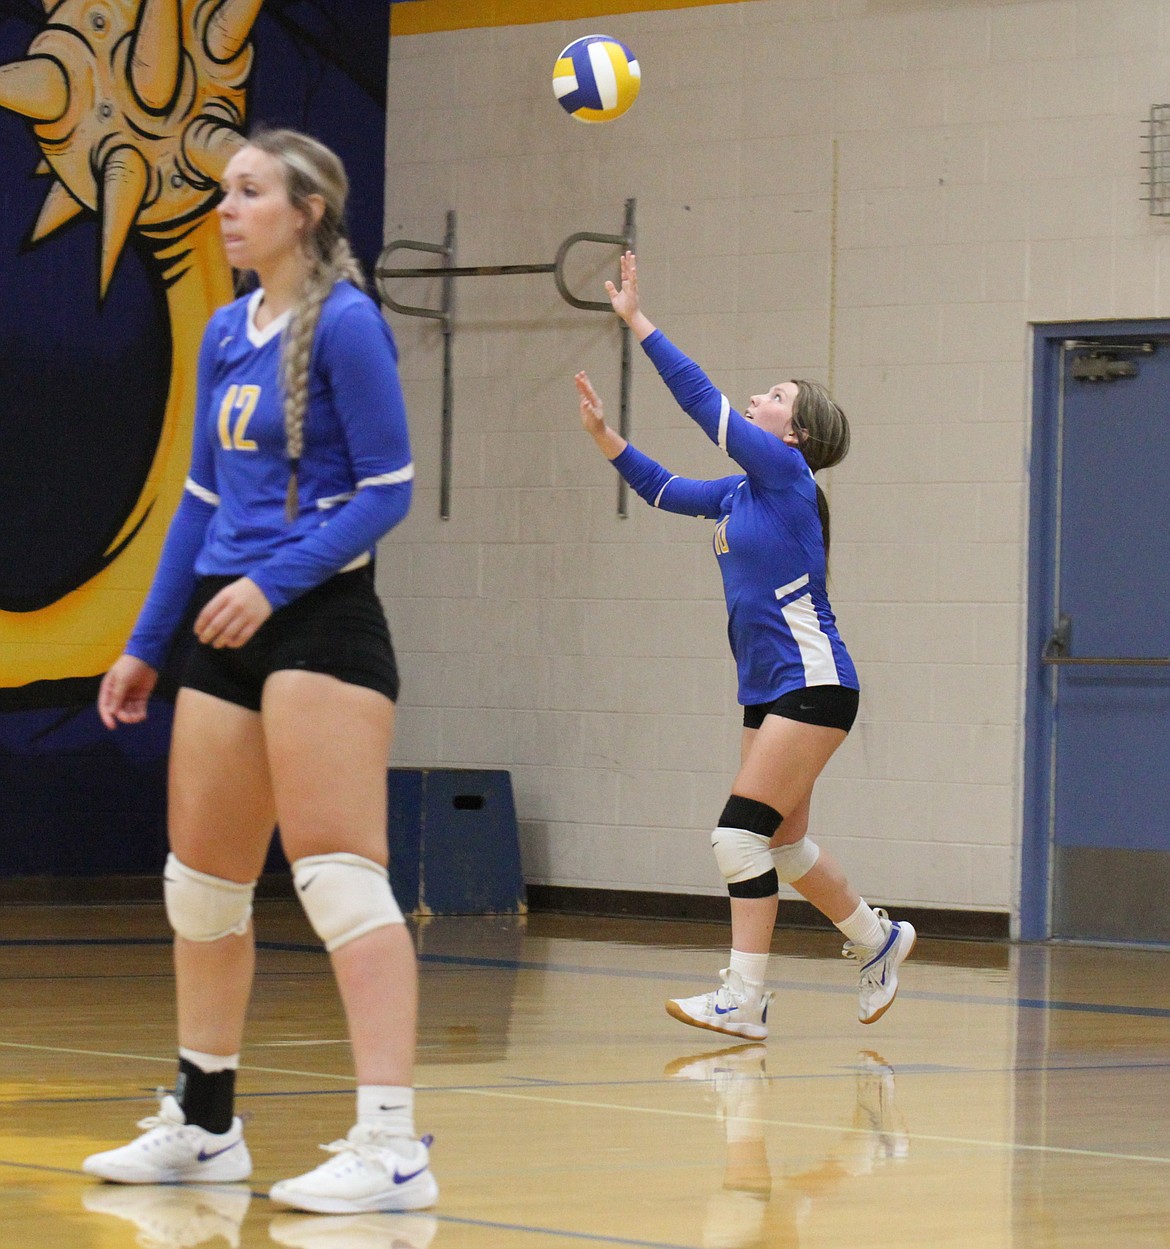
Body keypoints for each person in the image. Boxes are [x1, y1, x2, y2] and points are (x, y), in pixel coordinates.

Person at [82, 128, 437, 1215]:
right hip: (226, 626)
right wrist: (147, 641)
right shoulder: (228, 329)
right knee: (202, 887)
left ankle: (392, 1145)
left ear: (307, 213)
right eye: (223, 191)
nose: (224, 208)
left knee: (336, 874)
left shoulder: (350, 324)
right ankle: (203, 1121)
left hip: (321, 622)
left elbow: (389, 487)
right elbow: (196, 506)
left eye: (247, 192)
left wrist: (275, 584)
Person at [575, 252, 915, 1040]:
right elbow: (662, 489)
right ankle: (877, 938)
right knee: (784, 846)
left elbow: (702, 403)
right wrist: (604, 436)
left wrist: (637, 322)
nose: (758, 397)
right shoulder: (741, 493)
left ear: (791, 431)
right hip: (767, 688)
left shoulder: (787, 472)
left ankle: (746, 995)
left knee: (737, 834)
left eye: (774, 396)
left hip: (814, 683)